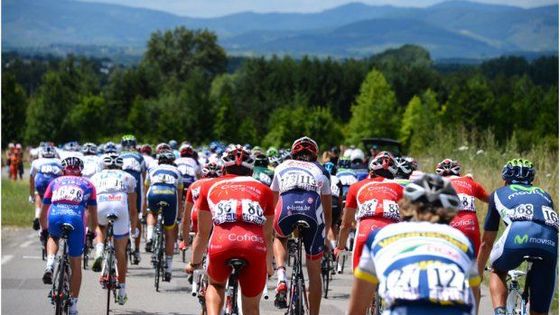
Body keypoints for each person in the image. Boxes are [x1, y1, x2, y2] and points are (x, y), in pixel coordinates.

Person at [349, 174, 480, 315]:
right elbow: (474, 298)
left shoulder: (380, 236)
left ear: (406, 205)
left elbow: (356, 308)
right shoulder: (463, 242)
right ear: (451, 211)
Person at [186, 145, 274, 315]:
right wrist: (269, 267)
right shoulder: (265, 190)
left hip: (222, 244)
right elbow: (267, 234)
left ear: (224, 168)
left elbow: (203, 233)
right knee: (251, 307)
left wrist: (194, 262)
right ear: (251, 171)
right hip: (253, 246)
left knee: (216, 284)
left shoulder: (208, 186)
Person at [477, 159, 557, 315]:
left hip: (519, 234)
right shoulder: (545, 195)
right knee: (539, 310)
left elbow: (486, 243)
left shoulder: (498, 193)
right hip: (550, 239)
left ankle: (500, 312)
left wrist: (478, 272)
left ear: (505, 179)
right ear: (531, 179)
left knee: (498, 270)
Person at [271, 136, 332, 315]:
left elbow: (273, 202)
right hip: (312, 212)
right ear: (314, 155)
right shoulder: (321, 170)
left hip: (286, 209)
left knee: (280, 236)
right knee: (314, 270)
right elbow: (327, 212)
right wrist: (326, 234)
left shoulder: (281, 167)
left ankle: (282, 276)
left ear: (293, 154)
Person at [39, 157, 98, 315]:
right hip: (76, 219)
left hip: (55, 216)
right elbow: (93, 214)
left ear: (63, 170)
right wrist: (91, 232)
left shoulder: (54, 182)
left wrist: (44, 230)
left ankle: (50, 264)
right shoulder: (88, 184)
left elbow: (43, 211)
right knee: (76, 265)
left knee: (53, 236)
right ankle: (72, 307)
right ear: (81, 171)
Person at [335, 151, 403, 271]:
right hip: (390, 233)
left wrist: (340, 247)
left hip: (365, 231)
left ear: (371, 171)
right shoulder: (401, 189)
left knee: (359, 280)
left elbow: (345, 224)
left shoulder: (356, 187)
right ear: (393, 174)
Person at [90, 153, 138, 304]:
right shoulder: (128, 176)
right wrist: (134, 227)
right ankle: (122, 291)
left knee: (101, 226)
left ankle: (99, 248)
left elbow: (90, 205)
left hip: (102, 204)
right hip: (120, 205)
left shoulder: (95, 177)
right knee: (121, 252)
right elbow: (133, 209)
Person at [436, 159, 489, 257]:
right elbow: (490, 200)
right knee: (476, 264)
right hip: (470, 225)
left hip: (448, 226)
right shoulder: (469, 181)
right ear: (458, 172)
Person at [145, 151, 183, 281]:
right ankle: (168, 268)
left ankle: (150, 236)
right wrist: (179, 215)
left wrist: (145, 209)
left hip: (154, 193)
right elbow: (179, 195)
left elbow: (146, 189)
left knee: (152, 212)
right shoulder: (177, 171)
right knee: (169, 231)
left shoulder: (153, 169)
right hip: (170, 195)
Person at [179, 161, 222, 251]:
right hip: (216, 213)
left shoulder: (194, 184)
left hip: (197, 213)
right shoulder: (224, 184)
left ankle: (195, 262)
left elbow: (186, 218)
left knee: (199, 236)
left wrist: (185, 241)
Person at [119, 135, 146, 265]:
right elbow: (144, 179)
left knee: (121, 213)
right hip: (136, 185)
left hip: (121, 185)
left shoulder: (118, 156)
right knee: (136, 214)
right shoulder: (140, 157)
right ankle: (136, 249)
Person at [29, 145, 63, 230]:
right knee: (54, 199)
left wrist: (31, 195)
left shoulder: (36, 162)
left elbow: (31, 179)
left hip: (41, 182)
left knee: (39, 195)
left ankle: (37, 215)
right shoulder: (59, 161)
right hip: (53, 182)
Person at [324, 161, 343, 250]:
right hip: (336, 203)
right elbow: (340, 197)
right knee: (333, 225)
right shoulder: (338, 180)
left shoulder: (322, 177)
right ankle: (333, 246)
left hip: (325, 201)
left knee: (325, 225)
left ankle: (329, 247)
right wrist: (341, 211)